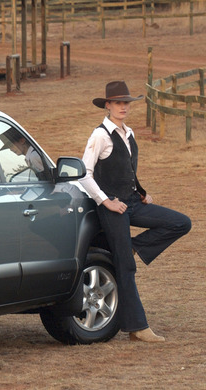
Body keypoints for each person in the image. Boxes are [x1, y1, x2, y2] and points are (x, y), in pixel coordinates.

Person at [79, 80, 191, 343]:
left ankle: (132, 247)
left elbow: (126, 170)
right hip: (113, 208)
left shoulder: (129, 133)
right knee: (125, 267)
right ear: (107, 105)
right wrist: (106, 201)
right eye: (117, 103)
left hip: (133, 202)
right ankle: (137, 328)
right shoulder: (100, 135)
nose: (123, 107)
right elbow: (84, 174)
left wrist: (141, 191)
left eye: (126, 103)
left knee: (180, 223)